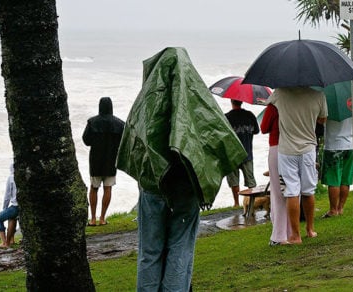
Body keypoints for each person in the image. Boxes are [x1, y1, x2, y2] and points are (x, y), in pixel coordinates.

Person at [116, 47, 247, 291]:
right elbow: (221, 139)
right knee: (180, 249)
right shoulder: (198, 99)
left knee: (150, 252)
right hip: (186, 186)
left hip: (153, 188)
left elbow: (133, 141)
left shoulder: (145, 102)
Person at [270, 87, 327, 244]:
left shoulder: (280, 93)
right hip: (308, 148)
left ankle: (295, 235)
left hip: (286, 149)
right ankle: (310, 229)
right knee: (308, 191)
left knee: (291, 191)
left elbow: (269, 106)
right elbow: (323, 119)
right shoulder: (318, 95)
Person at [83, 97, 125, 226]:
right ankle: (102, 218)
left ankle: (93, 219)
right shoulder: (119, 124)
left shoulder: (92, 122)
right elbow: (123, 143)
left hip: (96, 160)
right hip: (111, 161)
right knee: (108, 188)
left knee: (94, 188)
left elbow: (86, 140)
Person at [260, 102, 291, 245]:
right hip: (294, 147)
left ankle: (279, 235)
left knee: (278, 193)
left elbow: (264, 127)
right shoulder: (294, 102)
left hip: (277, 148)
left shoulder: (274, 106)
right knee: (291, 191)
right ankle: (291, 231)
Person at [225, 99, 260, 207]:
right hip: (247, 153)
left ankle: (236, 203)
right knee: (251, 181)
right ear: (242, 101)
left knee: (234, 181)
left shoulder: (226, 117)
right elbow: (256, 131)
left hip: (232, 155)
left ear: (231, 101)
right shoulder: (250, 115)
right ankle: (252, 202)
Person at [321, 118, 353, 217]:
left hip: (333, 145)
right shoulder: (352, 104)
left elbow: (320, 119)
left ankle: (333, 210)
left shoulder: (329, 104)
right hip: (350, 145)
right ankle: (340, 208)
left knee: (333, 180)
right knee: (345, 179)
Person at [0, 164, 19, 248]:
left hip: (15, 206)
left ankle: (5, 243)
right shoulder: (23, 176)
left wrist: (4, 208)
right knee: (12, 217)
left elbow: (7, 195)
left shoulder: (11, 178)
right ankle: (11, 241)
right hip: (21, 207)